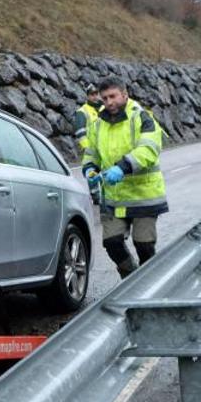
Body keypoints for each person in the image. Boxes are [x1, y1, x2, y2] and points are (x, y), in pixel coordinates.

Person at [81, 78, 168, 278]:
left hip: (143, 196)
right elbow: (91, 153)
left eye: (113, 96)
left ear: (124, 94)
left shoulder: (142, 118)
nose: (109, 102)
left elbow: (149, 149)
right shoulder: (97, 124)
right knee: (111, 243)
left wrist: (122, 167)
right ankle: (131, 279)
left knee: (143, 244)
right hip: (114, 198)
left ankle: (148, 282)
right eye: (104, 98)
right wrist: (90, 169)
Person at [74, 84, 103, 204]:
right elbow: (80, 132)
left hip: (106, 147)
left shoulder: (104, 108)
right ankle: (95, 196)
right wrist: (87, 148)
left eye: (97, 94)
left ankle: (106, 196)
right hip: (92, 149)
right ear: (87, 96)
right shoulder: (82, 111)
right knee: (92, 173)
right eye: (92, 94)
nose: (95, 97)